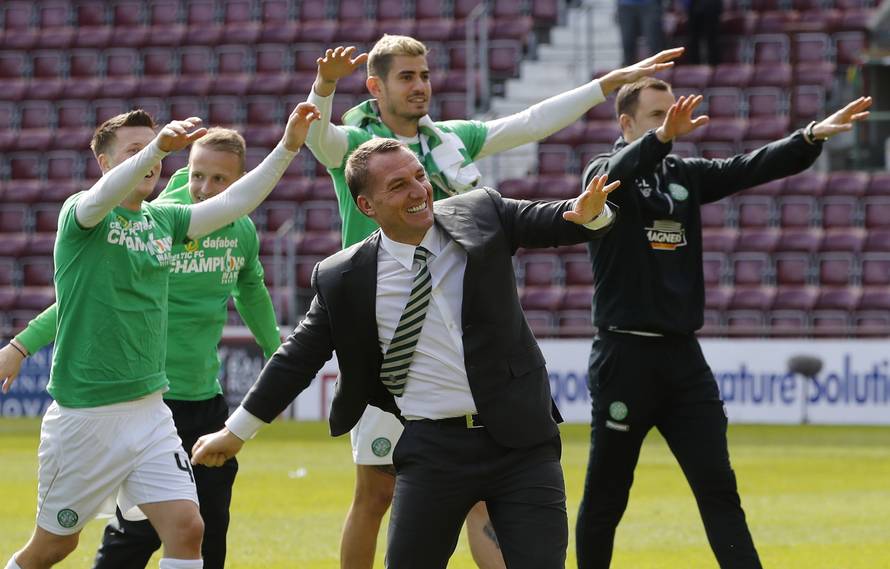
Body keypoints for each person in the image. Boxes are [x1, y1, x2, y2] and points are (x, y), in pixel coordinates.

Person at [304, 35, 682, 569]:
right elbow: (314, 136)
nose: (420, 86)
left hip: (463, 331)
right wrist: (322, 87)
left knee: (482, 494)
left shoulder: (450, 138)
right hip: (388, 334)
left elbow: (529, 123)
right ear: (375, 86)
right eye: (406, 77)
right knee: (375, 493)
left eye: (425, 75)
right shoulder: (358, 147)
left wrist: (604, 85)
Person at [190, 137, 620, 568]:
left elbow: (558, 219)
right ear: (366, 205)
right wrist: (236, 431)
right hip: (433, 449)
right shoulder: (343, 277)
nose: (419, 191)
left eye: (419, 176)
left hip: (521, 442)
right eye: (398, 186)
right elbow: (297, 357)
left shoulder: (481, 213)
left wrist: (591, 215)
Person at [1, 102, 319, 569]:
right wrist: (156, 145)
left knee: (188, 530)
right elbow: (100, 199)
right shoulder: (82, 217)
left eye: (153, 151)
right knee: (54, 547)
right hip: (87, 416)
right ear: (105, 163)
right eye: (133, 151)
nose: (150, 160)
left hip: (151, 411)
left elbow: (235, 203)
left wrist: (289, 147)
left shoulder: (163, 222)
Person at [573, 77, 872, 568]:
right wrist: (660, 139)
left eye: (673, 113)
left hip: (682, 360)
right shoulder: (603, 174)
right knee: (607, 495)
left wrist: (810, 135)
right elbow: (621, 169)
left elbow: (747, 168)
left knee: (718, 489)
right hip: (624, 357)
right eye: (657, 116)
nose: (672, 121)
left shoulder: (684, 175)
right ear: (626, 124)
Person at [616, 0, 666, 67]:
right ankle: (628, 70)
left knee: (654, 41)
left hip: (650, 4)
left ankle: (659, 68)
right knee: (627, 42)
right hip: (625, 5)